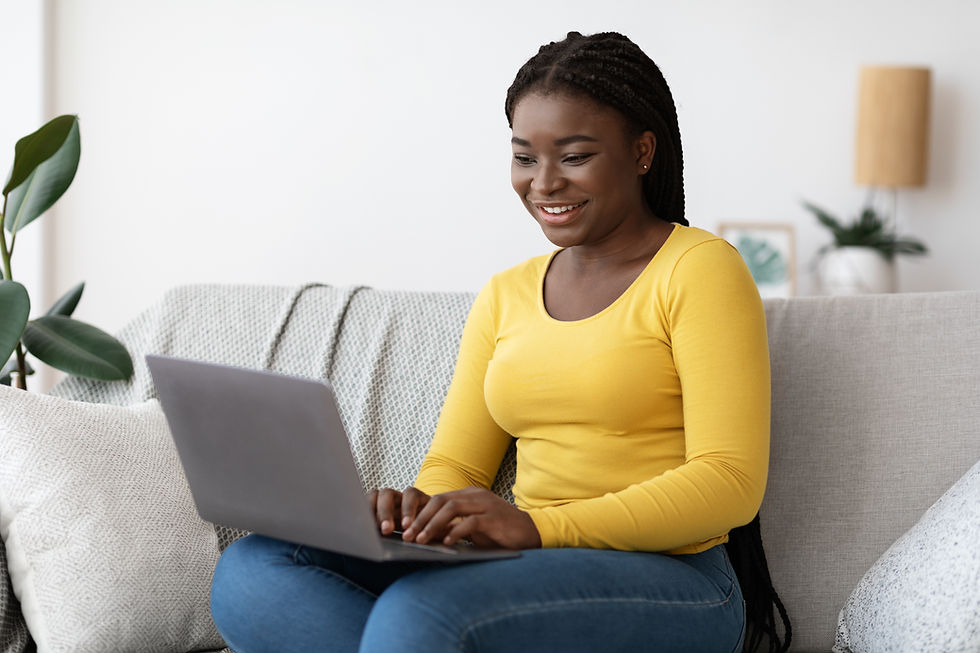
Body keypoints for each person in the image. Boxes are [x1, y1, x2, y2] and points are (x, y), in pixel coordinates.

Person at [210, 30, 790, 653]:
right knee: (255, 570)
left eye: (573, 156)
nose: (543, 184)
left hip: (676, 579)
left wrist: (538, 529)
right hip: (519, 568)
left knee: (422, 615)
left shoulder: (699, 268)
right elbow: (457, 467)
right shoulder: (506, 293)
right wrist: (414, 515)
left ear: (642, 152)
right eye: (524, 157)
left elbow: (728, 480)